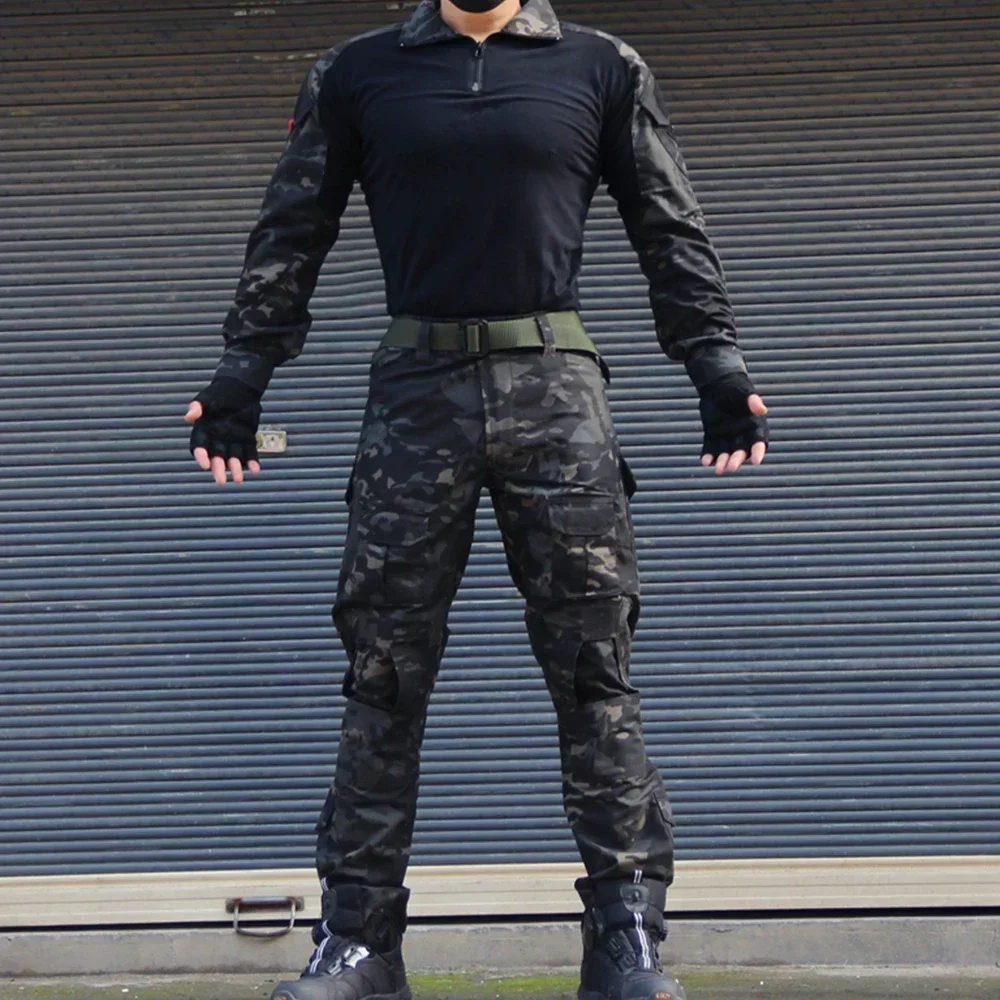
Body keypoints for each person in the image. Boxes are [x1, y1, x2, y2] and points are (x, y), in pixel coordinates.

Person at [185, 1, 769, 998]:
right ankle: (358, 945)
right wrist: (244, 373)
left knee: (594, 674)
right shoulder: (358, 72)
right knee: (381, 675)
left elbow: (666, 223)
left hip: (558, 395)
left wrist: (714, 363)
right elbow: (294, 225)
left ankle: (626, 942)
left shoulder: (599, 67)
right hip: (414, 399)